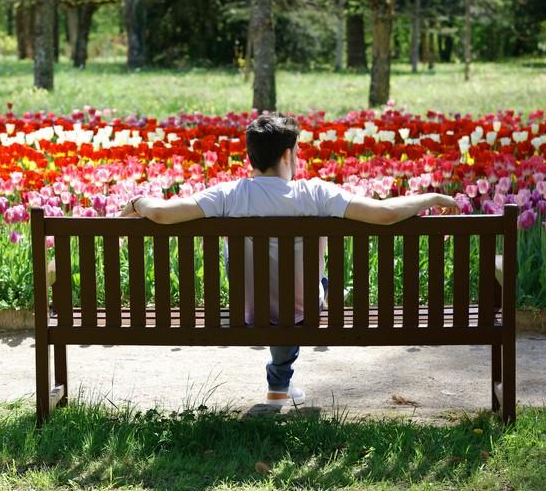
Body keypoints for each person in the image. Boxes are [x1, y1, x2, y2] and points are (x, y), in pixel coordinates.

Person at [120, 114, 457, 406]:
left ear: (252, 156)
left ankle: (279, 384)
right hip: (304, 308)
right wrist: (433, 196)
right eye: (296, 152)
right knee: (311, 284)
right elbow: (384, 215)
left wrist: (137, 201)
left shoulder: (229, 194)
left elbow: (162, 215)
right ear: (286, 154)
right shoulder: (316, 194)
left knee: (262, 275)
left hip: (248, 310)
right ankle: (279, 382)